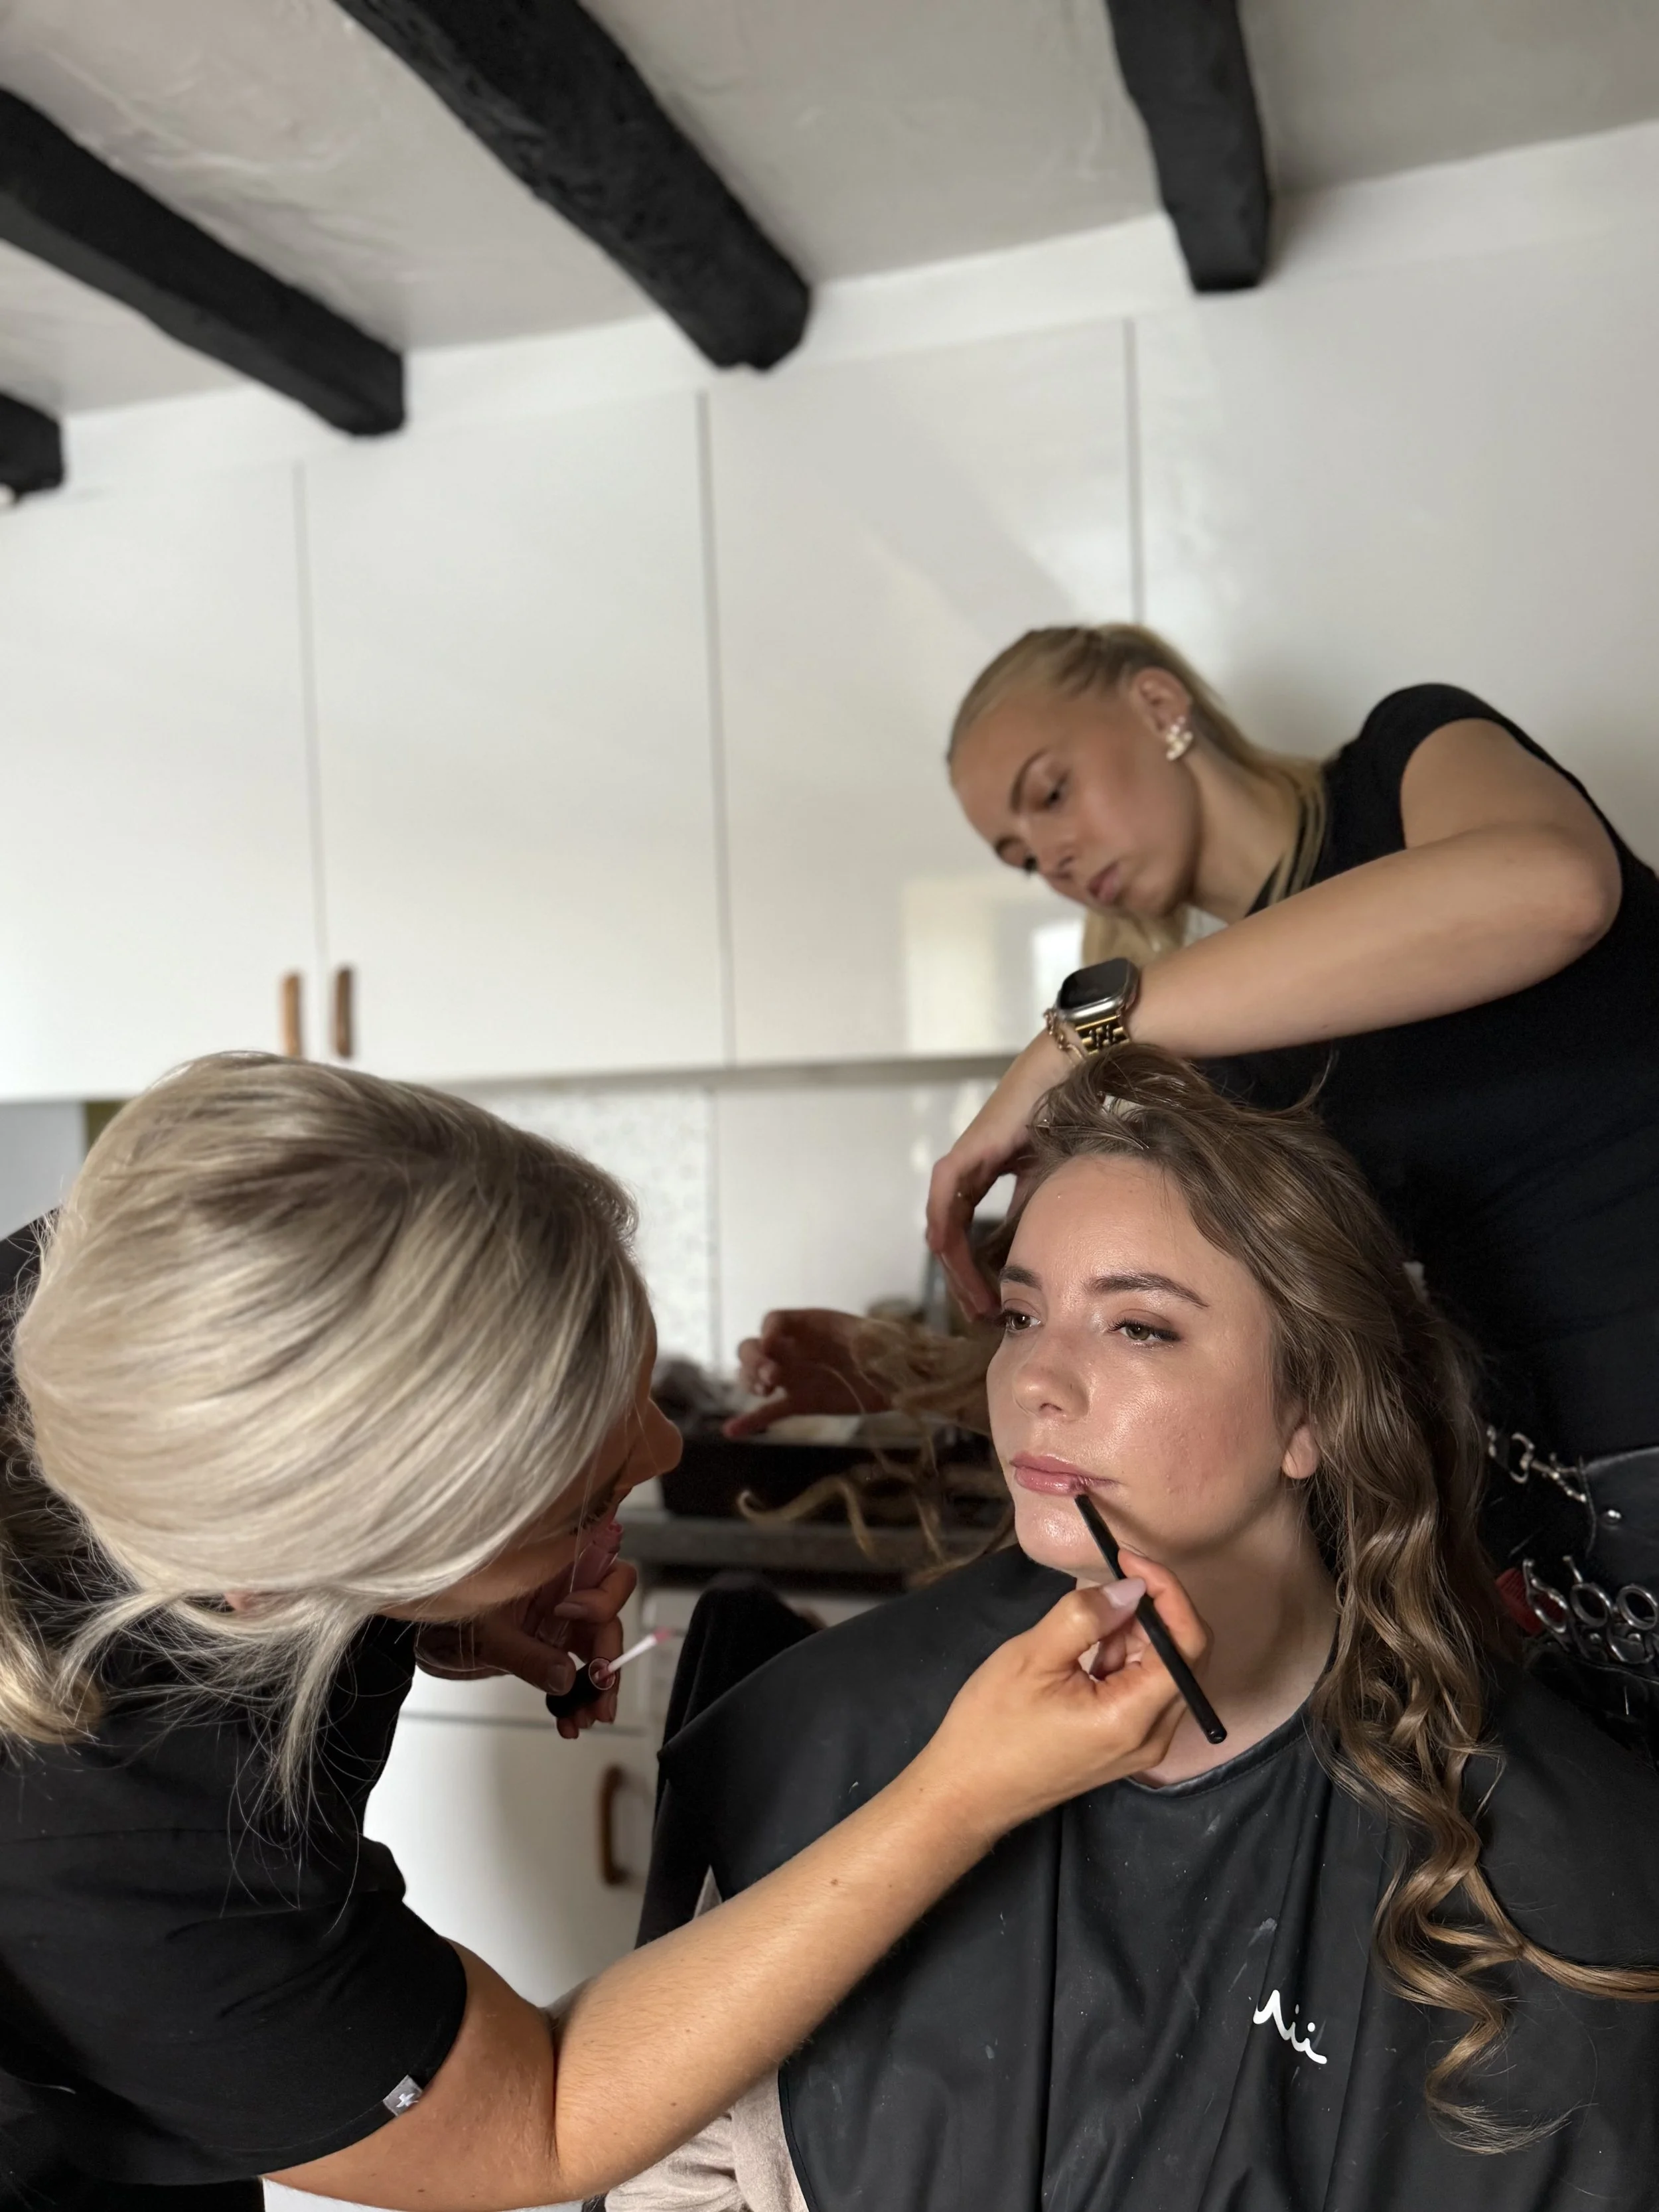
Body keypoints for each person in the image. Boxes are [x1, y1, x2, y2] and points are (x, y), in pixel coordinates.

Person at [0, 1055, 1201, 2212]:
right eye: (582, 1497)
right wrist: (956, 1797)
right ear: (308, 1577)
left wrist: (445, 1612)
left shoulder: (170, 1279)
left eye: (633, 1379)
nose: (666, 1451)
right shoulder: (142, 1876)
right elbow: (544, 2117)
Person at [619, 1051, 1659, 2212]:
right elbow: (674, 2173)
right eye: (1021, 1314)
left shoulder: (1565, 1865)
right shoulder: (823, 1732)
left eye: (1141, 1329)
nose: (1038, 1383)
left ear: (1311, 1410)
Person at [736, 625, 1659, 1750]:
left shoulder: (1408, 761)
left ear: (1160, 702)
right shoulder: (1233, 1047)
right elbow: (1162, 1317)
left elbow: (1555, 888)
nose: (1054, 853)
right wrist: (890, 1371)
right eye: (1022, 855)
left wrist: (1078, 1035)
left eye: (1053, 791)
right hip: (1561, 1518)